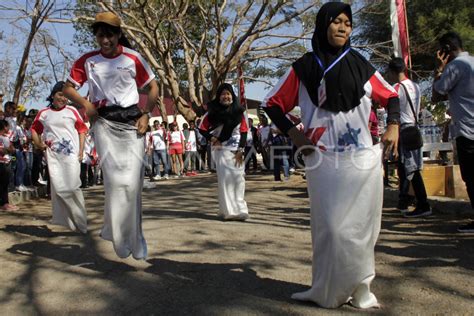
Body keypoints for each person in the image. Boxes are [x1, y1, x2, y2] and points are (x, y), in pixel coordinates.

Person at [261, 2, 400, 308]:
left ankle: (361, 289)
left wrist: (393, 126)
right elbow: (271, 104)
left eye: (347, 23)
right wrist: (295, 135)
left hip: (361, 159)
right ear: (323, 24)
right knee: (331, 228)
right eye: (335, 21)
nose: (342, 27)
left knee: (362, 229)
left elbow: (391, 96)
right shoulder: (302, 68)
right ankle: (325, 289)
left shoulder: (361, 65)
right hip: (322, 161)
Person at [63, 12, 158, 259]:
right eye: (100, 34)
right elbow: (68, 88)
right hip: (103, 121)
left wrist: (146, 114)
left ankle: (135, 239)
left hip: (132, 122)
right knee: (116, 183)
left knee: (132, 183)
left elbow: (154, 87)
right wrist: (87, 104)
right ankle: (118, 237)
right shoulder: (87, 60)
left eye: (110, 34)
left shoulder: (132, 57)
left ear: (118, 35)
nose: (105, 39)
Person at [31, 81, 88, 233]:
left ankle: (80, 222)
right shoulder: (44, 113)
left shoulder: (72, 111)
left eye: (66, 96)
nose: (63, 99)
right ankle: (70, 222)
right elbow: (34, 129)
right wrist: (39, 144)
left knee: (73, 187)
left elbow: (82, 130)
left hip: (71, 156)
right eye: (60, 95)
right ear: (53, 95)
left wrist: (81, 151)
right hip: (53, 156)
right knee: (60, 189)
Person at [432, 31, 474, 233]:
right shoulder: (473, 62)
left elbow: (437, 93)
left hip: (468, 131)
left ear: (446, 50)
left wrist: (439, 69)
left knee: (471, 176)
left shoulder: (455, 67)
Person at [388, 57, 431, 217]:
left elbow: (394, 113)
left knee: (409, 168)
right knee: (409, 167)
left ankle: (423, 204)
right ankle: (405, 201)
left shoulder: (396, 89)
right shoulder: (416, 87)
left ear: (392, 72)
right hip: (414, 128)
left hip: (403, 130)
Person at [199, 83, 249, 221]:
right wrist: (213, 138)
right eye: (223, 94)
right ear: (219, 96)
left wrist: (241, 150)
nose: (226, 96)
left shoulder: (240, 112)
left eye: (228, 94)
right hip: (221, 150)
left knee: (239, 179)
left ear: (232, 95)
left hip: (237, 150)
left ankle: (241, 209)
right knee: (226, 179)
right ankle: (229, 211)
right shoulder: (212, 112)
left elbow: (244, 131)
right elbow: (201, 129)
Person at [0, 119, 19, 211]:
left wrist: (9, 149)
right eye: (7, 126)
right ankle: (3, 203)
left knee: (5, 183)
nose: (8, 128)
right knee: (3, 184)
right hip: (1, 163)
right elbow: (2, 151)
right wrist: (8, 149)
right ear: (4, 127)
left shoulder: (6, 137)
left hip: (7, 161)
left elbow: (12, 149)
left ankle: (5, 203)